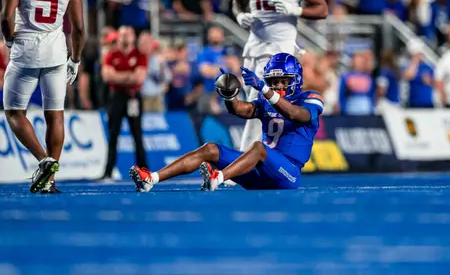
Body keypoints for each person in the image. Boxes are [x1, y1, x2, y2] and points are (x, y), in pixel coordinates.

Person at [129, 53, 324, 192]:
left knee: (258, 148)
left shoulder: (310, 98)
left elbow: (296, 114)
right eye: (274, 81)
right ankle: (151, 179)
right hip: (259, 172)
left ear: (295, 80)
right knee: (210, 149)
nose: (278, 85)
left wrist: (265, 89)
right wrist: (229, 93)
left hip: (287, 174)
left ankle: (218, 178)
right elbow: (241, 110)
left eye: (283, 81)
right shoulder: (267, 100)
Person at [1, 0, 85, 194]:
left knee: (14, 111)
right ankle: (50, 179)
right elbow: (79, 27)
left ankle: (44, 160)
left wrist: (10, 41)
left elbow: (6, 15)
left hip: (25, 47)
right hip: (57, 50)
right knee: (55, 115)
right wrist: (76, 59)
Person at [232, 0, 328, 153]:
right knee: (255, 104)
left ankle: (246, 160)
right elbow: (237, 0)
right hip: (254, 47)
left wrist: (296, 10)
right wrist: (239, 14)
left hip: (280, 51)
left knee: (261, 102)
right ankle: (264, 155)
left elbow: (322, 9)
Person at [101, 26, 149, 180]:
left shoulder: (140, 55)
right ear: (118, 37)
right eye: (123, 35)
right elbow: (107, 76)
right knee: (113, 135)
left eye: (128, 35)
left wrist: (118, 76)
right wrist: (129, 76)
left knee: (137, 135)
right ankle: (108, 171)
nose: (125, 38)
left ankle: (144, 171)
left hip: (133, 96)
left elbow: (139, 78)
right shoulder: (111, 55)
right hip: (116, 97)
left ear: (133, 37)